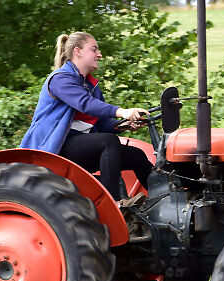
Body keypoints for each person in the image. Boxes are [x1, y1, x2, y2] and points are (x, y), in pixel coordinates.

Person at [20, 31, 153, 204]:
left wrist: (123, 124)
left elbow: (102, 122)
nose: (99, 54)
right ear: (78, 51)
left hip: (78, 146)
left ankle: (166, 199)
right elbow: (85, 103)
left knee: (136, 155)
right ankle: (115, 202)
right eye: (94, 49)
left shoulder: (90, 86)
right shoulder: (60, 79)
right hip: (54, 149)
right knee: (108, 141)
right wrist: (122, 111)